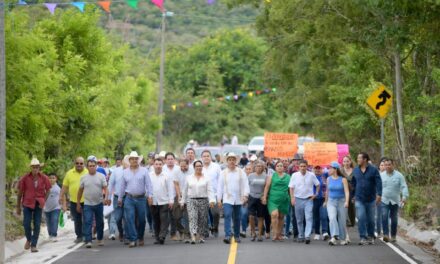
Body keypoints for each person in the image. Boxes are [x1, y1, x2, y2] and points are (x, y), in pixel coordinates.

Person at [118, 151, 153, 248]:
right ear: (129, 160)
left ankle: (140, 237)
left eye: (136, 159)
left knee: (142, 220)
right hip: (129, 198)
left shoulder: (144, 171)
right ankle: (133, 239)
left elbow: (149, 184)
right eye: (132, 159)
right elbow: (122, 186)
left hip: (141, 198)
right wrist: (120, 198)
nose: (134, 160)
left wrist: (150, 196)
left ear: (138, 160)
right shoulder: (125, 172)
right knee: (129, 218)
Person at [16, 158, 51, 252]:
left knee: (37, 224)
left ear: (39, 168)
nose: (35, 169)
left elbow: (48, 190)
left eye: (37, 167)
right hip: (27, 203)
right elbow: (20, 193)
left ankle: (34, 245)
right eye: (33, 167)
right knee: (26, 223)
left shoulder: (44, 178)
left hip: (38, 204)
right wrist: (18, 207)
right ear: (31, 168)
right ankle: (29, 238)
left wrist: (43, 201)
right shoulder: (25, 178)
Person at [217, 152, 250, 244]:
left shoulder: (241, 172)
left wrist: (245, 195)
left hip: (239, 198)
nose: (231, 161)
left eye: (233, 160)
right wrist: (219, 199)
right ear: (227, 161)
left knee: (237, 217)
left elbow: (245, 185)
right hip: (227, 198)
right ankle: (227, 235)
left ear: (236, 161)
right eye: (230, 160)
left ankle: (236, 235)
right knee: (227, 215)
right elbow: (220, 186)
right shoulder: (223, 173)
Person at [181, 160, 215, 244]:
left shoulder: (207, 178)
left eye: (200, 166)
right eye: (197, 166)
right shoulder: (189, 178)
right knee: (192, 217)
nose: (199, 168)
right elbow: (184, 190)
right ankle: (193, 235)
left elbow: (210, 190)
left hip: (203, 200)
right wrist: (182, 201)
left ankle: (200, 236)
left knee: (202, 219)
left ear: (202, 167)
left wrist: (211, 200)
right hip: (191, 200)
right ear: (194, 168)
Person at [76, 159, 108, 248]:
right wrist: (78, 203)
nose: (92, 167)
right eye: (90, 166)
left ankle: (100, 238)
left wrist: (106, 198)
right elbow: (80, 191)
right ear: (87, 167)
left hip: (99, 203)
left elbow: (106, 188)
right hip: (87, 203)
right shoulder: (83, 177)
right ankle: (88, 240)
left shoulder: (101, 176)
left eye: (93, 165)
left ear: (96, 166)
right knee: (87, 222)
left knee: (100, 222)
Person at [352, 152, 382, 245]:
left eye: (359, 158)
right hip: (359, 198)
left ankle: (370, 236)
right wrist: (353, 195)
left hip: (371, 199)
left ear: (365, 159)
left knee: (371, 219)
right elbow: (353, 183)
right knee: (361, 217)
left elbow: (378, 183)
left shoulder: (373, 170)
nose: (357, 160)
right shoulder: (356, 170)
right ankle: (362, 237)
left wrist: (379, 194)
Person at [289, 160, 320, 244]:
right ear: (298, 167)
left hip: (308, 199)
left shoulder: (311, 175)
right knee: (299, 219)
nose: (303, 168)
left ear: (307, 166)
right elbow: (291, 187)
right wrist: (292, 198)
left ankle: (307, 236)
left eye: (304, 166)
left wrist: (315, 194)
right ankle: (301, 235)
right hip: (298, 199)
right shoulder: (294, 175)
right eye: (301, 166)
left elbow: (317, 185)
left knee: (309, 217)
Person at [60, 157, 88, 243]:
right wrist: (61, 196)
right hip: (74, 201)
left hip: (87, 200)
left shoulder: (88, 172)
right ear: (74, 164)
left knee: (87, 219)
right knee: (77, 219)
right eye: (77, 163)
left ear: (84, 164)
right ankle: (79, 236)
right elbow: (65, 187)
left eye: (81, 163)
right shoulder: (69, 173)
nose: (79, 165)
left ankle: (86, 235)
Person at [380, 158, 409, 243]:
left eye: (389, 164)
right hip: (384, 200)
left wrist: (404, 197)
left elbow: (404, 186)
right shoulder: (381, 175)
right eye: (386, 165)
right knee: (384, 215)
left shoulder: (399, 175)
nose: (387, 166)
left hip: (395, 201)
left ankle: (393, 236)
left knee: (394, 219)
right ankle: (385, 234)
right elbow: (377, 187)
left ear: (393, 165)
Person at [262, 160, 290, 241]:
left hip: (284, 199)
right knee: (274, 215)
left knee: (281, 217)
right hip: (273, 199)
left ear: (283, 167)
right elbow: (267, 187)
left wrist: (292, 198)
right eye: (278, 166)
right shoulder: (271, 176)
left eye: (281, 166)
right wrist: (264, 197)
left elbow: (290, 188)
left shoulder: (288, 177)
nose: (280, 167)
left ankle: (279, 234)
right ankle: (274, 233)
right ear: (275, 168)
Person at [149, 158, 175, 245]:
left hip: (164, 201)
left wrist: (171, 200)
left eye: (160, 164)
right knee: (156, 220)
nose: (158, 166)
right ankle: (157, 237)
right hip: (153, 202)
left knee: (164, 219)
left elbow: (170, 189)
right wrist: (148, 197)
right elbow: (147, 188)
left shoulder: (166, 176)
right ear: (153, 165)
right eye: (156, 164)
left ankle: (162, 236)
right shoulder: (149, 175)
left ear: (162, 165)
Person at [324, 162, 350, 246]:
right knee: (332, 218)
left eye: (330, 168)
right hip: (331, 201)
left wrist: (346, 201)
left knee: (342, 220)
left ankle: (343, 238)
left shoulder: (343, 179)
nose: (328, 170)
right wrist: (325, 201)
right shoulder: (328, 179)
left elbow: (346, 191)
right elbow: (327, 191)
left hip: (341, 201)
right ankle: (335, 236)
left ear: (335, 169)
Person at [107, 155, 128, 242]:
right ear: (123, 161)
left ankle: (127, 236)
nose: (127, 162)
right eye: (125, 161)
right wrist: (108, 198)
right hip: (116, 198)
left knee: (127, 217)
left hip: (128, 197)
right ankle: (121, 232)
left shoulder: (131, 171)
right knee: (118, 218)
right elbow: (110, 184)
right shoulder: (116, 171)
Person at [201, 150, 222, 238]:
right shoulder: (199, 167)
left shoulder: (216, 167)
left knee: (216, 213)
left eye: (208, 156)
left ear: (211, 157)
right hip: (202, 194)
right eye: (204, 156)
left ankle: (215, 227)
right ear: (202, 158)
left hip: (215, 194)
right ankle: (206, 229)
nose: (206, 157)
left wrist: (220, 196)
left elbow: (220, 181)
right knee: (204, 213)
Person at [162, 152, 181, 241]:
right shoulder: (162, 169)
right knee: (165, 216)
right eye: (168, 159)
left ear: (174, 160)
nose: (170, 161)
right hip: (164, 196)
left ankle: (173, 233)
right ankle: (163, 232)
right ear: (165, 160)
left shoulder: (178, 169)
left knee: (175, 216)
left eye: (171, 159)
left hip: (176, 195)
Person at [247, 161, 267, 242]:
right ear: (254, 168)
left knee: (260, 217)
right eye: (257, 166)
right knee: (251, 216)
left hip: (261, 198)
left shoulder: (266, 176)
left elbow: (267, 187)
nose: (259, 167)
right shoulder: (250, 176)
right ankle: (253, 232)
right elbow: (246, 186)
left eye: (260, 166)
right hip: (252, 197)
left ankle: (259, 234)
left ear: (263, 167)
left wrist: (265, 196)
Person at [174, 159, 192, 243]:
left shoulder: (192, 171)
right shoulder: (177, 172)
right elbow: (176, 184)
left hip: (189, 196)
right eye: (181, 166)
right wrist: (179, 196)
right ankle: (181, 230)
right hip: (180, 195)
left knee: (187, 217)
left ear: (188, 165)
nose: (182, 168)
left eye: (184, 166)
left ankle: (187, 233)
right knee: (176, 216)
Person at [312, 165, 329, 241]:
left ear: (322, 169)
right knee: (316, 217)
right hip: (314, 199)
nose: (318, 170)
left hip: (323, 199)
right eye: (316, 168)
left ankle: (325, 232)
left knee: (324, 216)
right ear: (313, 169)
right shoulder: (311, 176)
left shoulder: (325, 176)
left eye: (319, 168)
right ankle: (317, 233)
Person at [44, 173, 61, 242]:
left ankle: (54, 235)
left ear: (56, 179)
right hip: (46, 208)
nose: (51, 179)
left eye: (53, 178)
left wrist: (64, 206)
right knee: (48, 222)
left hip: (56, 207)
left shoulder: (58, 187)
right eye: (50, 178)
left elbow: (63, 196)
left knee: (54, 220)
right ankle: (50, 234)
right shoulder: (45, 187)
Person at [341, 155, 355, 227]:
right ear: (342, 162)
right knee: (343, 207)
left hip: (352, 192)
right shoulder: (340, 170)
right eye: (344, 161)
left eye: (347, 161)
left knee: (352, 208)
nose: (346, 163)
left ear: (350, 162)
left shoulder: (355, 170)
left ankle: (352, 222)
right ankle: (344, 222)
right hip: (343, 191)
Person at [240, 164, 253, 237]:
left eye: (250, 169)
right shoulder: (242, 178)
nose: (248, 170)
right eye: (247, 169)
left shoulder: (254, 177)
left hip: (253, 199)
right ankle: (244, 230)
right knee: (244, 214)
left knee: (251, 215)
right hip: (244, 199)